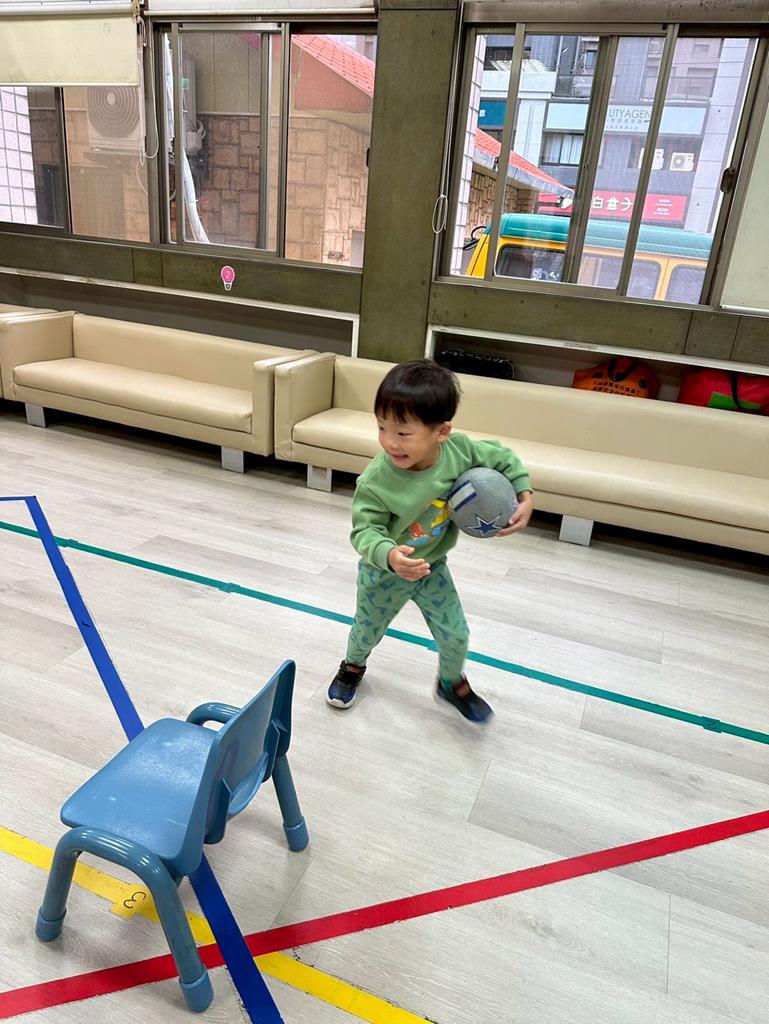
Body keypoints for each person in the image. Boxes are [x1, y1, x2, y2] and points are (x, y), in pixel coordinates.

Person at [327, 359, 533, 723]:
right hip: (384, 573)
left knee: (456, 633)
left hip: (433, 568)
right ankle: (352, 667)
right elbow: (364, 531)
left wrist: (524, 493)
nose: (390, 441)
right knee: (366, 630)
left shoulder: (460, 450)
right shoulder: (376, 481)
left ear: (442, 432)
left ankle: (451, 683)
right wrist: (390, 555)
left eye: (403, 433)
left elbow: (503, 458)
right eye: (381, 427)